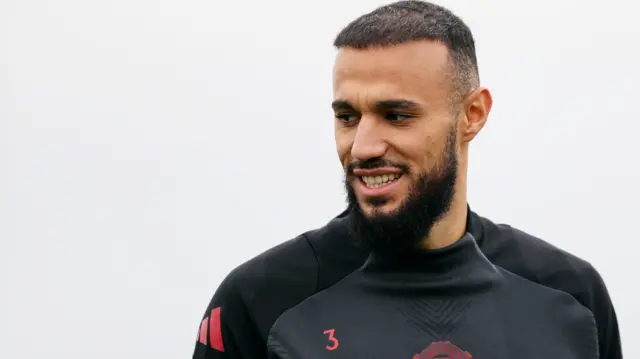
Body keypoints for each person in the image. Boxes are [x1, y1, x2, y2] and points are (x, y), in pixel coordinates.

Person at [192, 1, 622, 358]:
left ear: (472, 115)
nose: (362, 147)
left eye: (396, 116)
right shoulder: (259, 303)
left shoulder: (571, 296)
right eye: (347, 117)